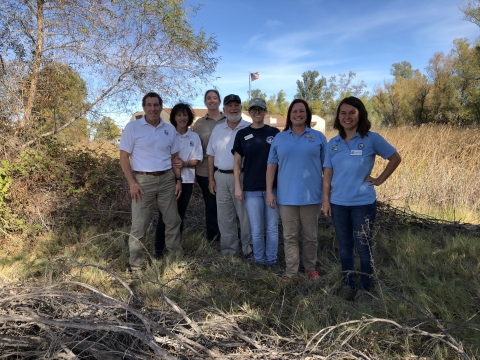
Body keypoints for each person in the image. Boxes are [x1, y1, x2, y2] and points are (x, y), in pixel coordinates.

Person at [322, 96, 401, 300]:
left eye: (352, 113)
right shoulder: (333, 143)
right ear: (338, 117)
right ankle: (349, 285)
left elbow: (395, 158)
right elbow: (328, 174)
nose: (347, 117)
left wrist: (379, 180)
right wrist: (326, 200)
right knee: (345, 246)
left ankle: (366, 288)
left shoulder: (371, 139)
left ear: (360, 114)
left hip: (362, 204)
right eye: (343, 113)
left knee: (363, 246)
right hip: (338, 203)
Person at [119, 92, 183, 273]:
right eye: (149, 105)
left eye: (156, 105)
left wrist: (178, 180)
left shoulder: (169, 129)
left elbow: (175, 158)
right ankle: (137, 267)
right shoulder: (133, 127)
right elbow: (124, 157)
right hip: (142, 181)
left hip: (167, 180)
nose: (153, 109)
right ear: (144, 107)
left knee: (172, 221)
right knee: (139, 226)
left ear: (161, 107)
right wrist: (132, 182)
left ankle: (174, 261)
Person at [266, 99, 327, 280]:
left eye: (302, 111)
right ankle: (291, 270)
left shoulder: (318, 137)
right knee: (290, 237)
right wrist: (269, 191)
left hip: (312, 197)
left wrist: (327, 193)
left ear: (307, 114)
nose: (298, 115)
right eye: (294, 112)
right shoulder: (280, 137)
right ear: (289, 115)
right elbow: (271, 165)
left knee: (310, 237)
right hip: (286, 197)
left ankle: (310, 269)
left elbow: (327, 167)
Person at [232, 98, 280, 270]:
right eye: (253, 110)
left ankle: (272, 260)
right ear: (249, 112)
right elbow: (237, 163)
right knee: (257, 229)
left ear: (265, 111)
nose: (257, 113)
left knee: (272, 227)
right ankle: (260, 261)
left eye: (260, 110)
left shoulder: (275, 133)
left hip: (272, 188)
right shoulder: (242, 134)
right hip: (251, 188)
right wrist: (238, 186)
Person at [206, 94, 252, 256]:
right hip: (221, 176)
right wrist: (211, 179)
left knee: (245, 216)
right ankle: (230, 251)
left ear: (241, 107)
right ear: (224, 109)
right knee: (225, 217)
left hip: (243, 177)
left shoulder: (249, 127)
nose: (233, 108)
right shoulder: (218, 129)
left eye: (236, 105)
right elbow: (210, 155)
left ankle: (248, 249)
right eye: (229, 106)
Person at [155, 103, 203, 258]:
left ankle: (175, 249)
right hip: (167, 181)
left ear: (189, 118)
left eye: (185, 115)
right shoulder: (167, 133)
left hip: (187, 181)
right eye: (178, 115)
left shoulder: (194, 136)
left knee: (179, 216)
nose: (182, 118)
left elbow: (197, 159)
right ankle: (159, 250)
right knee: (165, 216)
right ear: (174, 117)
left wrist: (185, 164)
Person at [192, 89, 226, 242]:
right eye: (208, 98)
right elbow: (193, 149)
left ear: (219, 100)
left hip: (226, 169)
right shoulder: (199, 123)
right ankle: (214, 238)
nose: (212, 100)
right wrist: (192, 173)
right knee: (211, 206)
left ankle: (229, 236)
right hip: (204, 170)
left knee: (227, 206)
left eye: (214, 98)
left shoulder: (229, 119)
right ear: (205, 102)